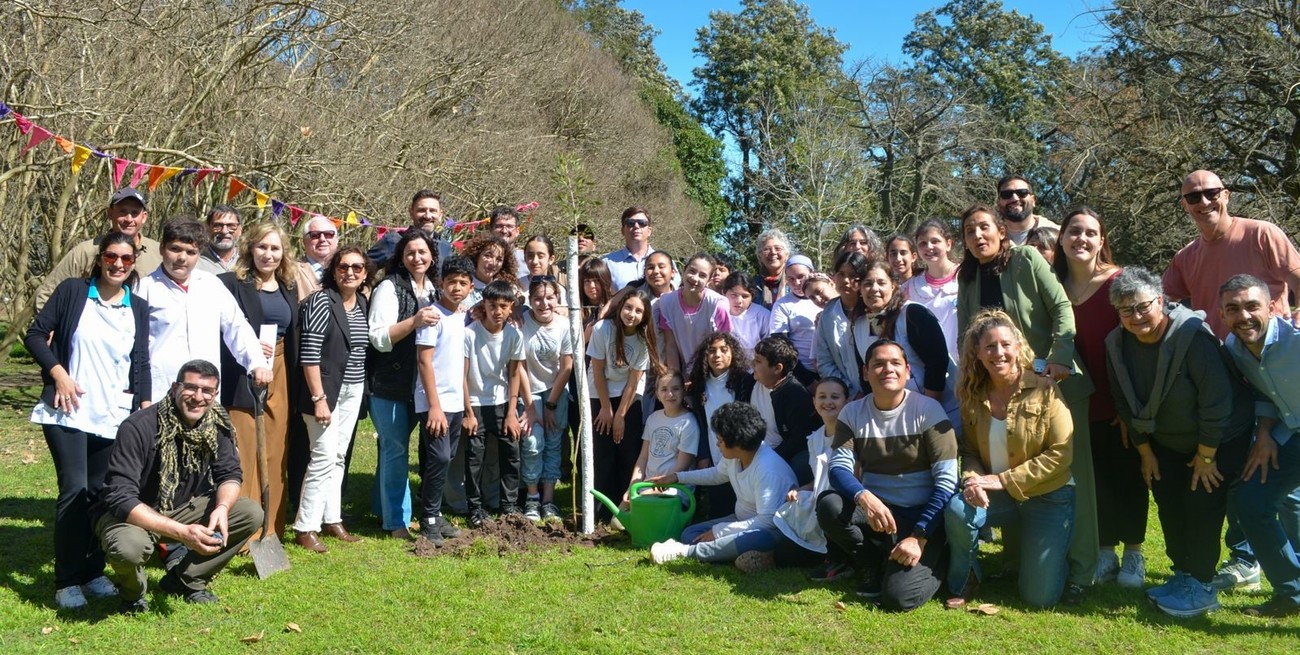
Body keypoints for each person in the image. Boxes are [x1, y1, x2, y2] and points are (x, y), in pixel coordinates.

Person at [955, 203, 1097, 603]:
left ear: (1001, 231)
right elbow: (966, 337)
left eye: (984, 227)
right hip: (1003, 387)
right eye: (969, 231)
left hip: (1055, 383)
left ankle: (1082, 571)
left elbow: (1061, 308)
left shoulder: (1027, 258)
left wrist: (1061, 356)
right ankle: (1020, 559)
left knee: (1072, 480)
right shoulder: (968, 277)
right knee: (1010, 466)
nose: (978, 236)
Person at [1105, 267, 1252, 618]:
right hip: (1165, 442)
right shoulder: (1116, 343)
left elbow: (1216, 402)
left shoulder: (1191, 336)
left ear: (1161, 300)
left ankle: (1201, 587)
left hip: (1217, 439)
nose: (1136, 316)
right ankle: (1182, 574)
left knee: (1201, 506)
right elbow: (1122, 401)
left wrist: (1206, 456)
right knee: (1169, 503)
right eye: (1126, 310)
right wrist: (1144, 451)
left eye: (1143, 306)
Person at [26, 232, 151, 609]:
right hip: (67, 410)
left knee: (101, 496)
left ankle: (94, 572)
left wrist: (143, 407)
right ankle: (67, 580)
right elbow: (34, 335)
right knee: (75, 491)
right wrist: (58, 373)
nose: (118, 264)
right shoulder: (72, 292)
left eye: (126, 259)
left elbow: (140, 361)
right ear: (100, 259)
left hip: (114, 415)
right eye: (111, 256)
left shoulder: (139, 307)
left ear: (133, 263)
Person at [95, 360, 264, 612]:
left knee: (250, 513)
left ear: (215, 394)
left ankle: (186, 579)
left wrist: (222, 508)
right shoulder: (138, 426)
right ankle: (133, 594)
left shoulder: (216, 422)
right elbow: (120, 498)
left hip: (182, 508)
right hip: (132, 515)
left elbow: (229, 473)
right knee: (129, 548)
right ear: (175, 388)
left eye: (207, 391)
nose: (198, 397)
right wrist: (182, 533)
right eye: (191, 388)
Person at [944, 309, 1075, 609]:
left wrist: (1003, 480)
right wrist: (972, 480)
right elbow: (970, 452)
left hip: (1047, 496)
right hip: (996, 495)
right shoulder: (972, 395)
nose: (998, 352)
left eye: (1005, 344)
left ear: (1018, 347)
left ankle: (1051, 562)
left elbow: (1061, 454)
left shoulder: (1045, 388)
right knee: (955, 509)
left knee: (1038, 598)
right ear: (977, 353)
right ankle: (967, 577)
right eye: (989, 346)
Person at [819, 340, 958, 611]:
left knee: (898, 598)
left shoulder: (929, 410)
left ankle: (937, 556)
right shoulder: (852, 412)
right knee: (830, 505)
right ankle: (870, 563)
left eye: (895, 363)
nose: (887, 369)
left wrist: (919, 536)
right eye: (878, 364)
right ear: (865, 372)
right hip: (879, 513)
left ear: (907, 371)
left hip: (921, 516)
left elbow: (947, 482)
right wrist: (865, 497)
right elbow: (838, 468)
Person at [1052, 208, 1146, 588]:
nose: (1082, 239)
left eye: (1091, 233)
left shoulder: (1119, 283)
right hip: (1074, 402)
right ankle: (1105, 551)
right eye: (1074, 232)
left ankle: (1135, 553)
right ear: (1061, 239)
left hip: (1119, 399)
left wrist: (1131, 407)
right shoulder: (1053, 285)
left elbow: (1140, 345)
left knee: (1128, 474)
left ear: (1101, 241)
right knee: (1097, 478)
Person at [1219, 274, 1300, 617]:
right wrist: (1264, 433)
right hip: (1290, 432)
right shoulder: (1234, 348)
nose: (1244, 316)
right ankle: (1293, 594)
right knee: (1251, 502)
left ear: (1271, 307)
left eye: (1252, 306)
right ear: (1222, 314)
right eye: (1233, 308)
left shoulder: (1296, 338)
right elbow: (1262, 391)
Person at [217, 223, 299, 539]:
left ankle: (270, 528)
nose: (268, 254)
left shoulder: (289, 287)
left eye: (275, 248)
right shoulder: (230, 284)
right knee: (244, 449)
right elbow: (220, 330)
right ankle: (241, 530)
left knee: (275, 451)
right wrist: (249, 345)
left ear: (283, 254)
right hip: (241, 372)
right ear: (251, 249)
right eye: (262, 247)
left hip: (280, 371)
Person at [134, 218, 270, 403]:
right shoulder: (144, 289)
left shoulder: (211, 285)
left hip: (206, 395)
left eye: (191, 252)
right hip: (161, 393)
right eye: (175, 249)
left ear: (199, 254)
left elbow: (237, 327)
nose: (182, 258)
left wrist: (257, 363)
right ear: (162, 248)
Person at [648, 402, 798, 566]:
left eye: (720, 440)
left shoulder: (767, 469)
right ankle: (744, 555)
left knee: (757, 539)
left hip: (770, 530)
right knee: (690, 534)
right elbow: (717, 474)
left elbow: (766, 521)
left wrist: (720, 531)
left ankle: (683, 552)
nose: (717, 444)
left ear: (738, 442)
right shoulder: (736, 456)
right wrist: (677, 477)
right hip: (740, 520)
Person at [292, 247, 372, 553]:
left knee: (339, 455)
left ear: (365, 273)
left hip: (353, 389)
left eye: (357, 267)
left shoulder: (362, 302)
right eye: (343, 267)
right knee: (323, 456)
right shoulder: (321, 301)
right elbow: (309, 355)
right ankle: (305, 526)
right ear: (333, 270)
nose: (350, 272)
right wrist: (319, 398)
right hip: (323, 392)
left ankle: (332, 518)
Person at [1162, 169, 1300, 341]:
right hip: (1219, 359)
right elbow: (1158, 300)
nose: (1204, 202)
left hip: (1271, 353)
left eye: (1212, 193)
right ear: (1185, 205)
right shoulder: (1185, 257)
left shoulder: (1261, 234)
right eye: (1193, 197)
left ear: (1226, 196)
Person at [366, 230, 440, 539]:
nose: (417, 257)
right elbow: (378, 338)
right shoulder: (389, 287)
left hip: (418, 386)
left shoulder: (434, 290)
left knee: (390, 450)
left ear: (432, 255)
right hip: (387, 383)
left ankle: (382, 507)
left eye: (422, 252)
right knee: (396, 450)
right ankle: (397, 522)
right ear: (401, 256)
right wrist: (414, 321)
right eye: (410, 252)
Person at [855, 259, 960, 429]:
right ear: (860, 290)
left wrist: (928, 409)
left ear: (894, 286)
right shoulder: (858, 327)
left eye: (881, 283)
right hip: (896, 417)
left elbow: (938, 362)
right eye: (867, 284)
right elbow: (866, 375)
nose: (874, 289)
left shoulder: (914, 314)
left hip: (942, 409)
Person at [413, 256, 474, 545]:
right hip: (433, 402)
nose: (457, 288)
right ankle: (429, 519)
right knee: (437, 457)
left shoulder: (463, 317)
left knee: (447, 458)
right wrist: (434, 406)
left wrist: (465, 407)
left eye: (463, 283)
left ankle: (436, 514)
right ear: (441, 284)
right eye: (452, 282)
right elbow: (425, 362)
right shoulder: (432, 316)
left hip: (455, 403)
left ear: (471, 287)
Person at [770, 377, 853, 578]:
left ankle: (841, 560)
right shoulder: (815, 438)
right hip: (818, 502)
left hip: (843, 505)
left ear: (846, 402)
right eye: (822, 397)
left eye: (835, 397)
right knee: (784, 554)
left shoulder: (853, 435)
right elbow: (818, 479)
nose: (828, 402)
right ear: (814, 402)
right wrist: (801, 489)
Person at [588, 288, 659, 521]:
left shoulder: (642, 338)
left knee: (628, 450)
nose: (632, 314)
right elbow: (597, 370)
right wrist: (607, 409)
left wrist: (620, 415)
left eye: (639, 311)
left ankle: (627, 508)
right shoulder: (602, 329)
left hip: (629, 397)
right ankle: (601, 511)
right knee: (604, 451)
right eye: (628, 307)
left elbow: (633, 381)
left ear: (645, 316)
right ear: (620, 308)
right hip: (600, 393)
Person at [463, 280, 528, 528]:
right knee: (474, 457)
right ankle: (475, 508)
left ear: (511, 307)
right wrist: (468, 412)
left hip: (502, 402)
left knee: (511, 452)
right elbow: (463, 374)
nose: (497, 311)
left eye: (503, 305)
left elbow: (514, 374)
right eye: (492, 305)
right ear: (484, 305)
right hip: (475, 402)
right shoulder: (470, 333)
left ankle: (509, 505)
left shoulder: (514, 336)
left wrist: (512, 413)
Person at [35, 187, 163, 311]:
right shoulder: (85, 252)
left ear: (144, 217)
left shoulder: (159, 253)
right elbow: (46, 295)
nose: (129, 219)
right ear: (110, 213)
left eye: (134, 213)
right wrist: (54, 329)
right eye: (122, 212)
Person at [520, 277, 574, 522]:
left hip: (556, 391)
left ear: (557, 299)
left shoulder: (565, 326)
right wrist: (531, 406)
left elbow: (566, 367)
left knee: (553, 442)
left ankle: (548, 500)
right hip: (528, 390)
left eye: (549, 297)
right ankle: (532, 497)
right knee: (532, 443)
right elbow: (518, 366)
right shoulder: (521, 323)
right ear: (530, 300)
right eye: (538, 299)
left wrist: (551, 404)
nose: (544, 303)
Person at [686, 332, 754, 521]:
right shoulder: (699, 386)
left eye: (724, 350)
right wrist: (704, 454)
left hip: (741, 455)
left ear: (733, 353)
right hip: (715, 455)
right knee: (718, 507)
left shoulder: (745, 382)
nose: (717, 355)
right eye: (712, 351)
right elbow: (701, 425)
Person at [750, 335, 819, 484]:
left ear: (777, 368)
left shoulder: (794, 393)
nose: (752, 364)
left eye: (758, 361)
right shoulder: (751, 383)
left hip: (784, 460)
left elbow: (799, 440)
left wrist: (768, 459)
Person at [625, 372, 698, 505]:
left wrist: (650, 491)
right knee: (616, 522)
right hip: (647, 487)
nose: (670, 394)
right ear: (657, 394)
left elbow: (682, 467)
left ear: (683, 391)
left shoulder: (688, 422)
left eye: (675, 389)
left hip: (675, 489)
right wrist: (632, 486)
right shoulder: (653, 418)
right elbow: (643, 458)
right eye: (664, 389)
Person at [658, 252, 731, 372]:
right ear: (684, 270)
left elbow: (724, 346)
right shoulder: (666, 302)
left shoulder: (718, 304)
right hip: (682, 369)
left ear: (709, 280)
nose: (694, 278)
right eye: (692, 271)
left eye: (702, 275)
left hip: (712, 370)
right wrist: (677, 378)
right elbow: (670, 345)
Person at [902, 218, 961, 358]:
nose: (929, 247)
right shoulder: (910, 288)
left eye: (935, 241)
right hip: (929, 365)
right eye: (923, 243)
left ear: (948, 244)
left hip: (965, 364)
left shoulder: (967, 277)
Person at [815, 251, 869, 396]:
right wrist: (849, 391)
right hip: (848, 398)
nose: (846, 281)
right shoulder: (828, 314)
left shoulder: (872, 310)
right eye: (841, 274)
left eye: (853, 276)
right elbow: (825, 362)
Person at [367, 189, 451, 270]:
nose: (428, 216)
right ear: (411, 212)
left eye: (433, 211)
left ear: (440, 215)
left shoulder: (445, 247)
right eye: (421, 210)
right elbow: (363, 268)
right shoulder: (394, 241)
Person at [768, 254, 820, 371]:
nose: (796, 282)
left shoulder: (824, 298)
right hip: (800, 371)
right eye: (790, 278)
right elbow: (780, 346)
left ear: (812, 273)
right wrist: (809, 381)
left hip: (829, 368)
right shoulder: (782, 305)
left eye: (801, 276)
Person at [459, 231, 518, 313]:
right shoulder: (461, 284)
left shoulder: (508, 289)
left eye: (499, 259)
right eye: (488, 255)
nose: (493, 263)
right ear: (477, 256)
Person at [603, 206, 658, 292]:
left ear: (649, 231)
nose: (636, 226)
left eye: (642, 223)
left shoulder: (665, 262)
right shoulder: (607, 263)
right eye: (630, 223)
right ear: (622, 230)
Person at [995, 175, 1058, 246]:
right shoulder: (990, 238)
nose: (1014, 198)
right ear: (998, 203)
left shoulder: (1057, 234)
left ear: (1033, 201)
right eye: (1006, 194)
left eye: (1022, 193)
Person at [722, 271, 770, 363]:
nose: (739, 301)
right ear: (724, 293)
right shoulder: (718, 312)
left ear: (752, 297)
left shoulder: (762, 315)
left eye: (745, 296)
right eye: (733, 295)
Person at [295, 215, 340, 302]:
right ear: (304, 241)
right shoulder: (292, 271)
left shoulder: (348, 271)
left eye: (328, 234)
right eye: (315, 235)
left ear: (337, 240)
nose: (322, 239)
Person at [519, 234, 568, 308]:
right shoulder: (517, 286)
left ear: (551, 259)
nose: (535, 261)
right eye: (530, 256)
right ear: (525, 258)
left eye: (540, 256)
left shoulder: (559, 290)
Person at [749, 229, 793, 309]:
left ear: (787, 255)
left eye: (778, 248)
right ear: (760, 256)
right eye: (767, 249)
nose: (773, 252)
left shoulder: (796, 283)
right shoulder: (752, 285)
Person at [194, 205, 242, 275]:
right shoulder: (194, 260)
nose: (224, 231)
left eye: (231, 226)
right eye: (217, 225)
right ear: (207, 229)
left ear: (240, 230)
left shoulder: (249, 260)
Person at [488, 205, 527, 275]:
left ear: (517, 231)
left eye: (509, 226)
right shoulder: (479, 260)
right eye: (499, 226)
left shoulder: (527, 261)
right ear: (491, 229)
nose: (504, 231)